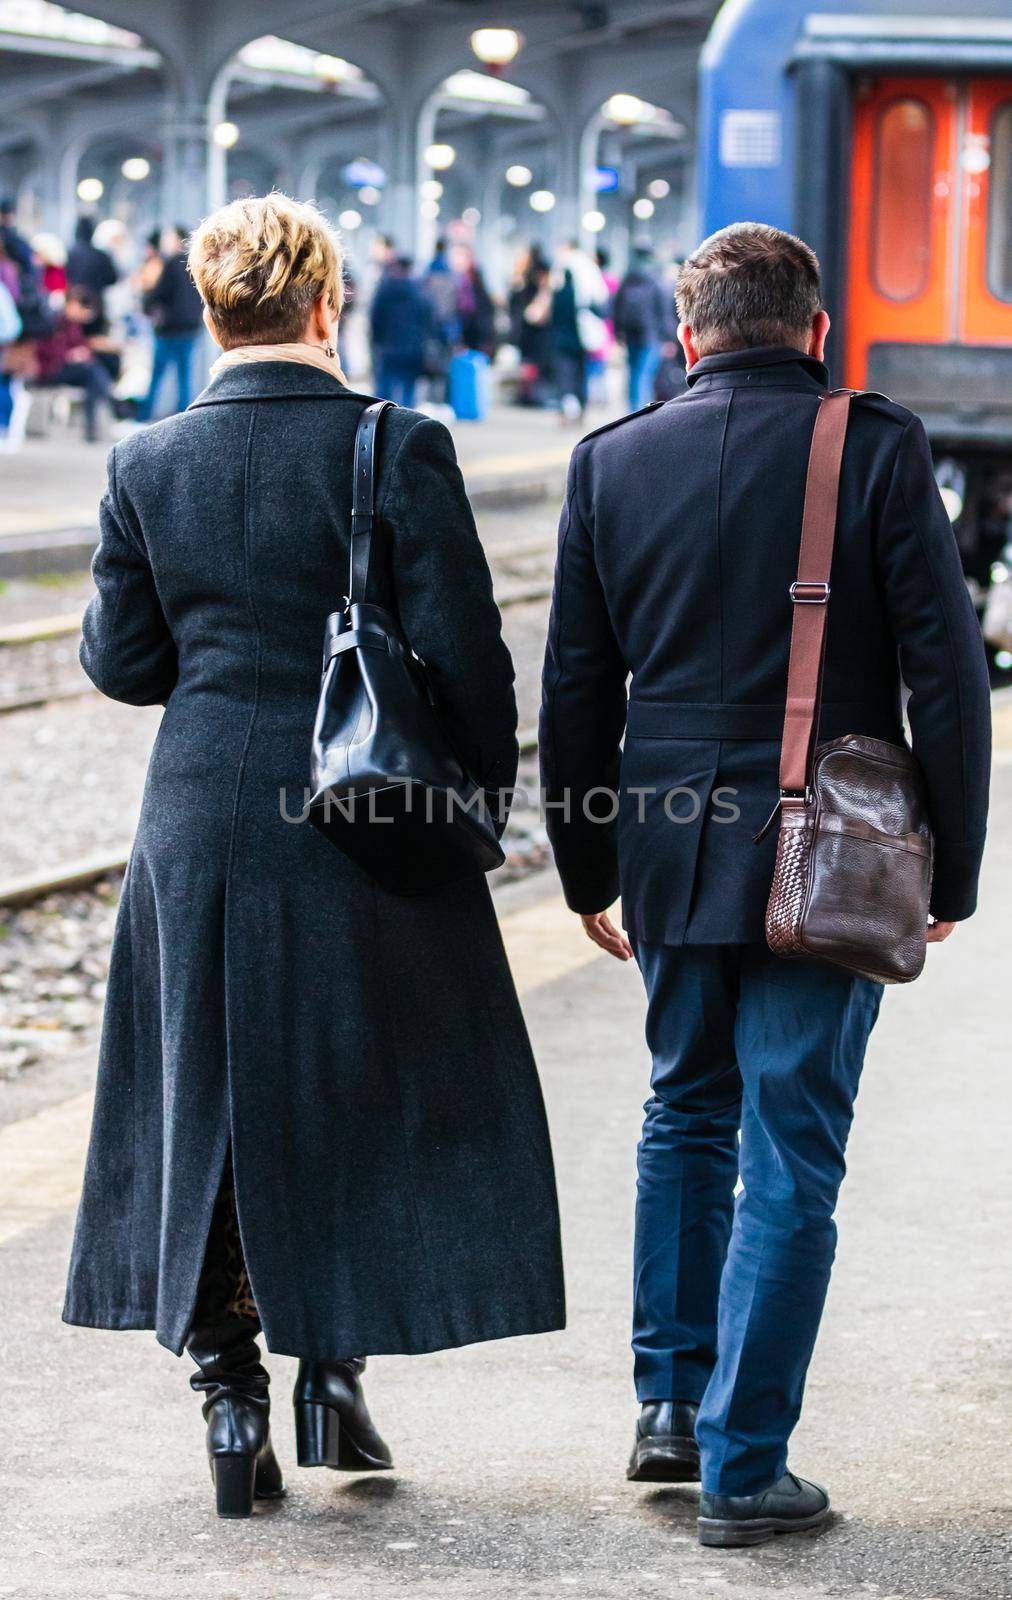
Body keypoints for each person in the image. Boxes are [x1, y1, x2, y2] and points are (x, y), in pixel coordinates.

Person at [63, 193, 564, 1520]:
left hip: (199, 819)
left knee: (208, 1092)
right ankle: (329, 1374)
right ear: (324, 306)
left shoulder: (144, 458)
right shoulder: (394, 446)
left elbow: (123, 666)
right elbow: (468, 658)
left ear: (214, 312)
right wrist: (478, 811)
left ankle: (229, 1400)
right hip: (361, 815)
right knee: (348, 1080)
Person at [540, 222, 990, 1547]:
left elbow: (575, 691)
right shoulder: (878, 446)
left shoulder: (611, 460)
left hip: (670, 846)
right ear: (816, 331)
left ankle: (670, 1413)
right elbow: (946, 680)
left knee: (686, 1112)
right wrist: (946, 869)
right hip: (831, 857)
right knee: (792, 1147)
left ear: (686, 339)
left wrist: (586, 864)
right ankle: (746, 1465)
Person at [27, 288, 113, 440]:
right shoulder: (54, 322)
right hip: (51, 369)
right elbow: (46, 350)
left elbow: (79, 346)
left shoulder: (73, 325)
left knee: (94, 373)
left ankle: (95, 423)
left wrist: (82, 352)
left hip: (66, 368)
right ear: (71, 304)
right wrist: (69, 355)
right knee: (92, 372)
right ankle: (107, 411)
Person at [139, 225, 203, 419]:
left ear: (179, 241)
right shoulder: (195, 264)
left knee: (157, 374)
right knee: (184, 375)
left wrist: (146, 305)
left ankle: (144, 415)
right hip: (191, 327)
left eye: (169, 238)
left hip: (170, 328)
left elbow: (160, 292)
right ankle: (185, 416)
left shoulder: (171, 263)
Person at [612, 247, 677, 410]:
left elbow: (616, 306)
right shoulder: (655, 280)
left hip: (630, 333)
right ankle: (641, 411)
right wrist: (668, 338)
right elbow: (663, 312)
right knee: (645, 374)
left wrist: (618, 332)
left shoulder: (628, 278)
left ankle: (631, 409)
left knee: (633, 372)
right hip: (650, 335)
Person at [369, 253, 432, 406]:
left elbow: (375, 319)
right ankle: (407, 424)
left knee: (384, 391)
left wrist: (377, 341)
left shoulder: (385, 290)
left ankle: (381, 422)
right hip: (412, 349)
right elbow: (427, 321)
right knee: (408, 390)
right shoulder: (419, 292)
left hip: (388, 347)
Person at [66, 215, 117, 302]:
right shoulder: (101, 255)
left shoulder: (69, 254)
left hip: (73, 301)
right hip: (95, 301)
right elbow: (112, 278)